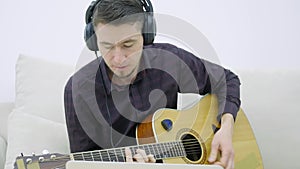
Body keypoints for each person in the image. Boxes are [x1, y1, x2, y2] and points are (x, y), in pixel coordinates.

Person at [64, 0, 240, 169]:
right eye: (107, 46)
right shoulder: (77, 89)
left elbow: (227, 80)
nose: (118, 58)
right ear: (94, 42)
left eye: (128, 44)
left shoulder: (167, 61)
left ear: (146, 36)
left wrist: (226, 127)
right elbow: (82, 164)